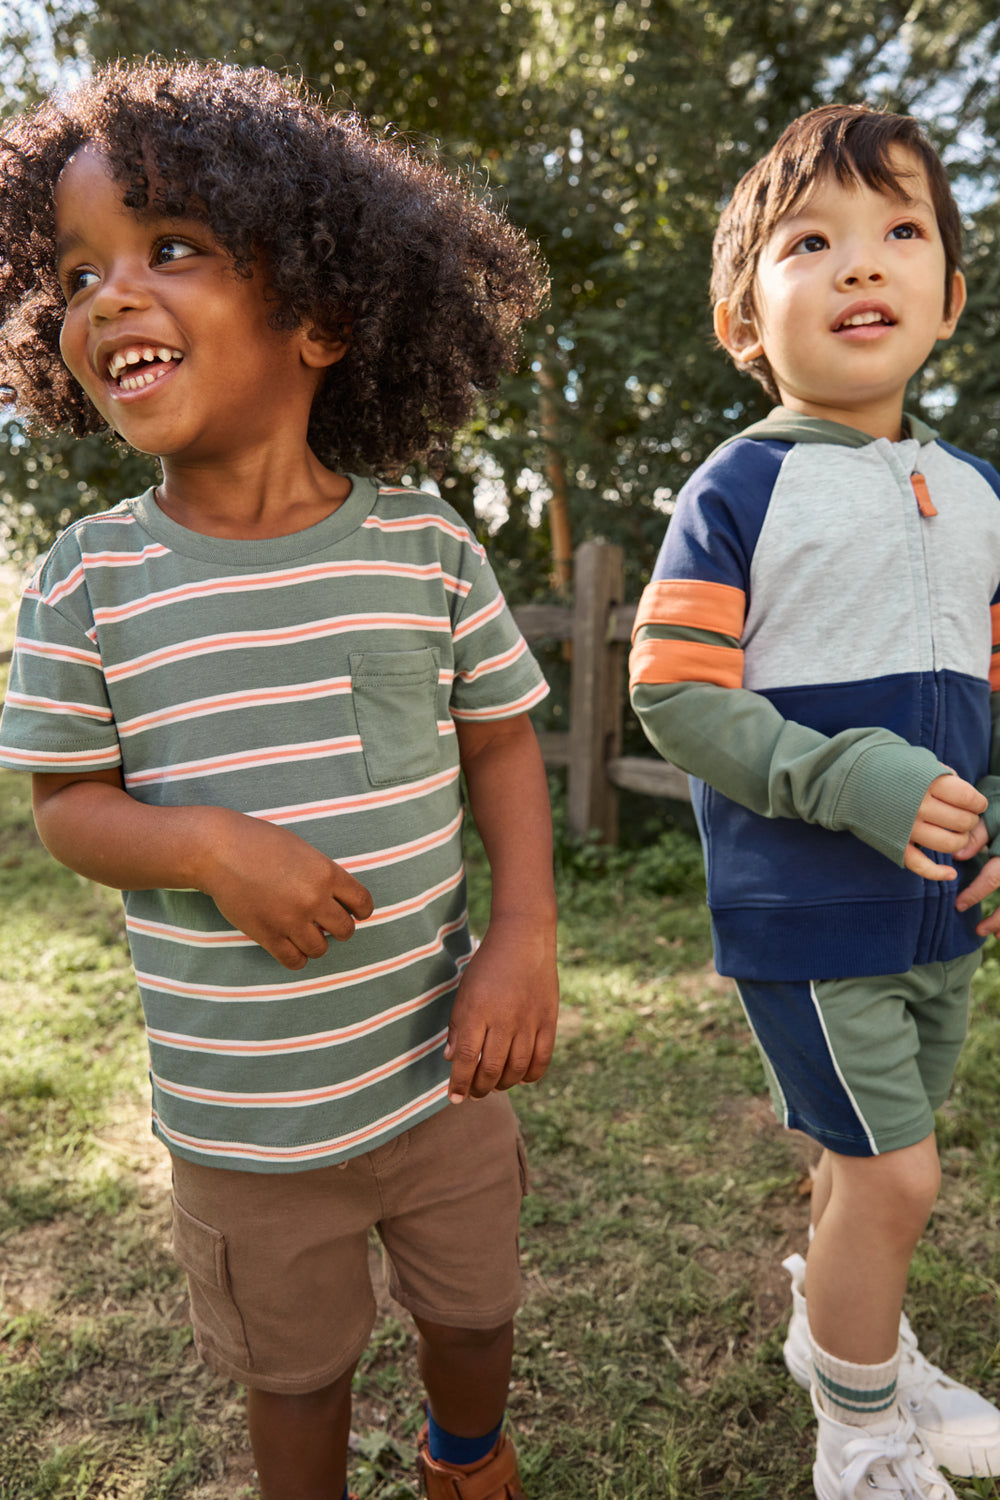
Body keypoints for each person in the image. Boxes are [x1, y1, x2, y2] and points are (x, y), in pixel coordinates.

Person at [0, 60, 558, 1500]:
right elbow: (66, 806)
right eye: (75, 273)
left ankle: (466, 1453)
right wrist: (202, 844)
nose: (108, 295)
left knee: (475, 1311)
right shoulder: (88, 583)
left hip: (443, 1071)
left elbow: (499, 735)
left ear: (317, 313)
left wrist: (524, 938)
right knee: (294, 1373)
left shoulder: (425, 550)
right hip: (247, 1122)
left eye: (169, 247)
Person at [629, 103, 1000, 1499]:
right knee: (898, 1180)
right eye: (813, 241)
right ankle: (858, 1431)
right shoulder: (741, 484)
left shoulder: (976, 494)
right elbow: (674, 691)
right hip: (811, 908)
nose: (864, 265)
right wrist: (848, 774)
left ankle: (855, 1340)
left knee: (862, 1170)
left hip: (939, 915)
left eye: (902, 232)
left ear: (949, 299)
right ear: (744, 314)